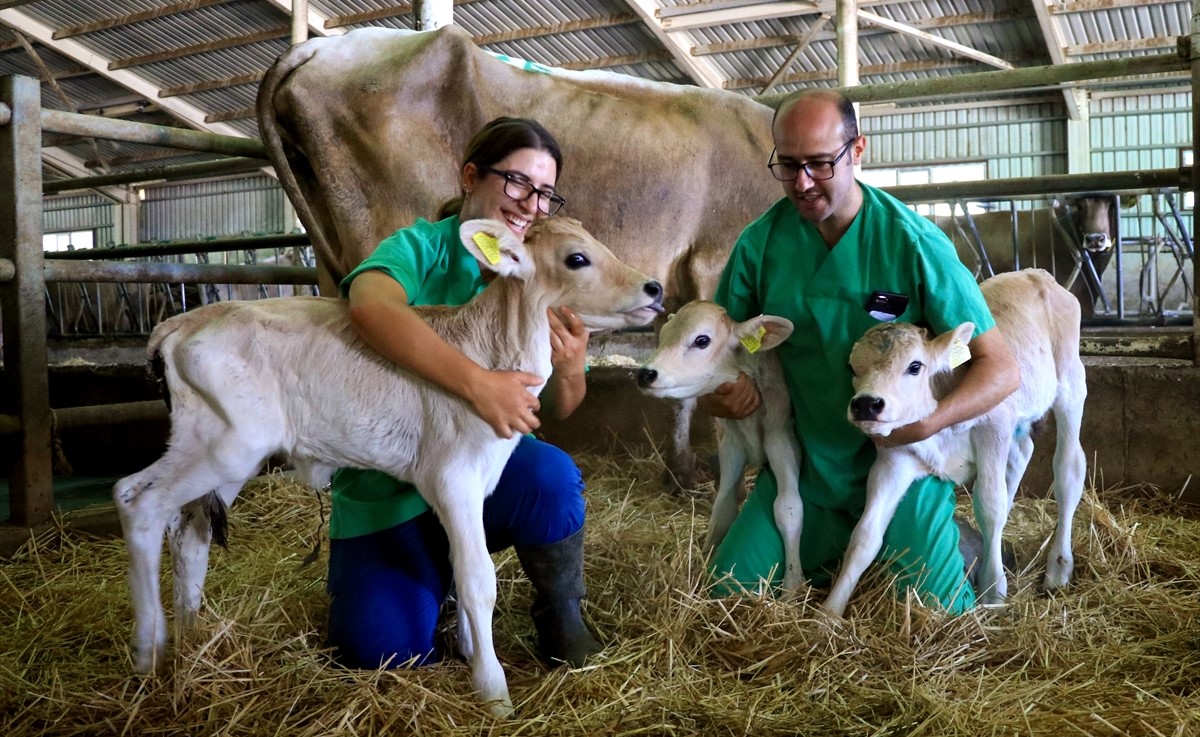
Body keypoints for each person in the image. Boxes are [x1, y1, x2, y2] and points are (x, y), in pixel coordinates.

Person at [702, 89, 1020, 613]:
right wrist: (722, 395)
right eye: (788, 165)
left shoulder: (913, 242)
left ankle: (940, 534)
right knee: (727, 602)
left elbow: (999, 368)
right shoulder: (760, 245)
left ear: (858, 150)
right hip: (803, 470)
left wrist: (929, 425)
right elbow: (719, 355)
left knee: (935, 620)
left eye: (821, 164)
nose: (802, 183)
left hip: (903, 465)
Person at [325, 117, 602, 669]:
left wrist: (571, 368)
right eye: (517, 182)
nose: (530, 205)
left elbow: (552, 412)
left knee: (549, 476)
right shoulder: (419, 248)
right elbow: (369, 306)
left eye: (544, 194)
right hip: (389, 493)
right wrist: (478, 384)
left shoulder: (536, 272)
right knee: (381, 652)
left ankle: (561, 613)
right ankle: (437, 576)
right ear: (470, 176)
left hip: (477, 473)